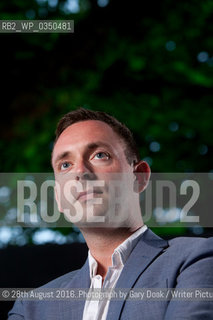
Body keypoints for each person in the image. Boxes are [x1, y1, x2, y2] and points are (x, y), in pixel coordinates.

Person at [8, 108, 213, 320]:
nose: (80, 172)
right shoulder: (30, 308)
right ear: (59, 198)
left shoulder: (195, 260)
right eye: (65, 165)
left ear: (139, 177)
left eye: (100, 155)